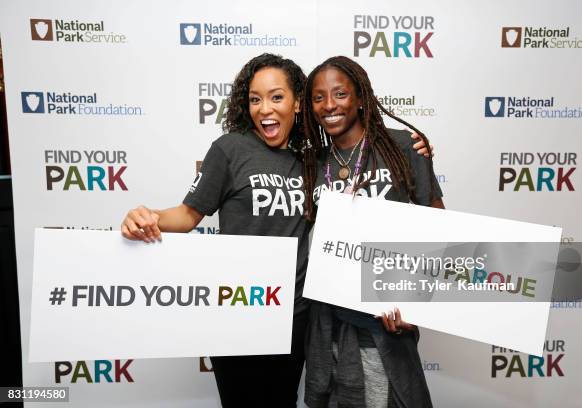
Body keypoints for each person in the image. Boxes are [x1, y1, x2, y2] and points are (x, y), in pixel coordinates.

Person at [121, 53, 433, 407]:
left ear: (297, 103)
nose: (264, 108)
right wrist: (147, 216)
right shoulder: (231, 149)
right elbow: (187, 215)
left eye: (276, 97)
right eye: (255, 99)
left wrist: (414, 150)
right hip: (237, 312)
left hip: (298, 316)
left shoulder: (311, 160)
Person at [301, 56, 444, 408]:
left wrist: (418, 306)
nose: (329, 105)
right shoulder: (313, 162)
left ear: (361, 97)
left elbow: (438, 227)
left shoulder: (404, 148)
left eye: (340, 94)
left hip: (383, 322)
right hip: (328, 323)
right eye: (318, 98)